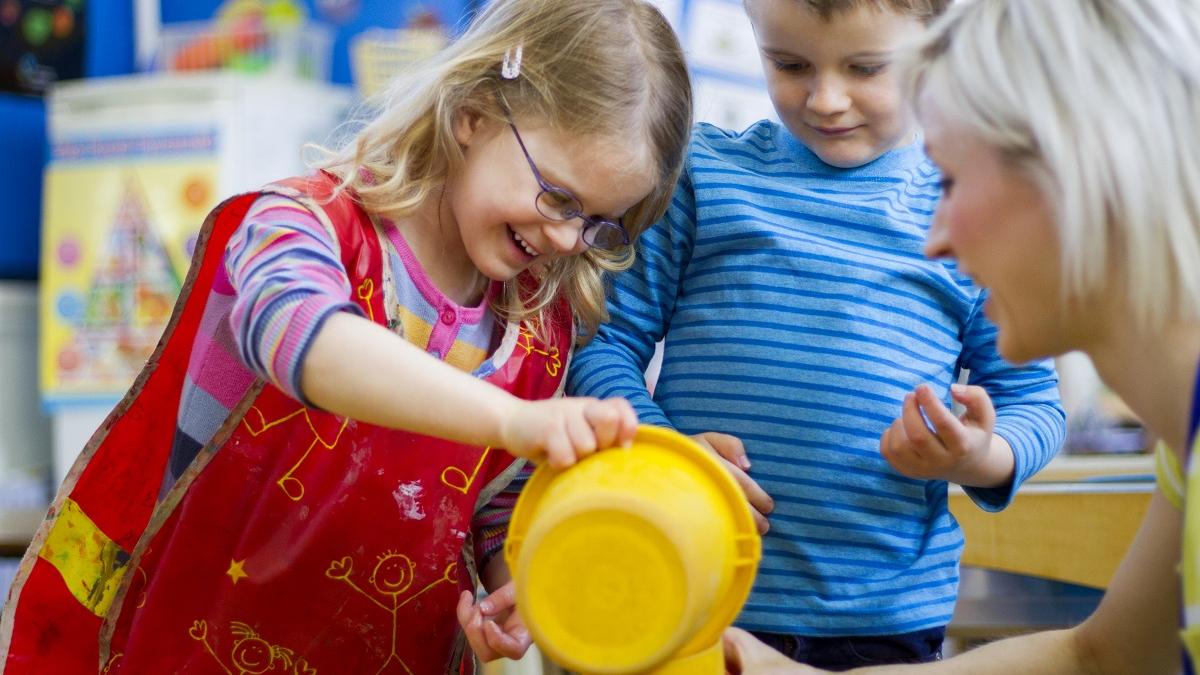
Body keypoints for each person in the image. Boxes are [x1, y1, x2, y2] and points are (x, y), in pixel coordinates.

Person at [0, 1, 692, 672]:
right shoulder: (299, 226)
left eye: (600, 223)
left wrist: (513, 578)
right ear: (476, 115)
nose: (570, 239)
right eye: (559, 198)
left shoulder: (540, 330)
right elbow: (303, 337)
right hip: (194, 644)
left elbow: (492, 501)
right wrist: (513, 419)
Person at [565, 0, 1066, 669]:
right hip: (690, 584)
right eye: (789, 63)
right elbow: (602, 345)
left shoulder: (967, 211)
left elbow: (1034, 396)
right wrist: (666, 452)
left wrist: (980, 458)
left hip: (882, 620)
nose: (826, 99)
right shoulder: (702, 177)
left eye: (866, 68)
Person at [723, 0, 1200, 673]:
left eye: (949, 179)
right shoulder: (1187, 458)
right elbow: (1101, 655)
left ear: (1072, 170)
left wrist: (984, 455)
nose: (936, 238)